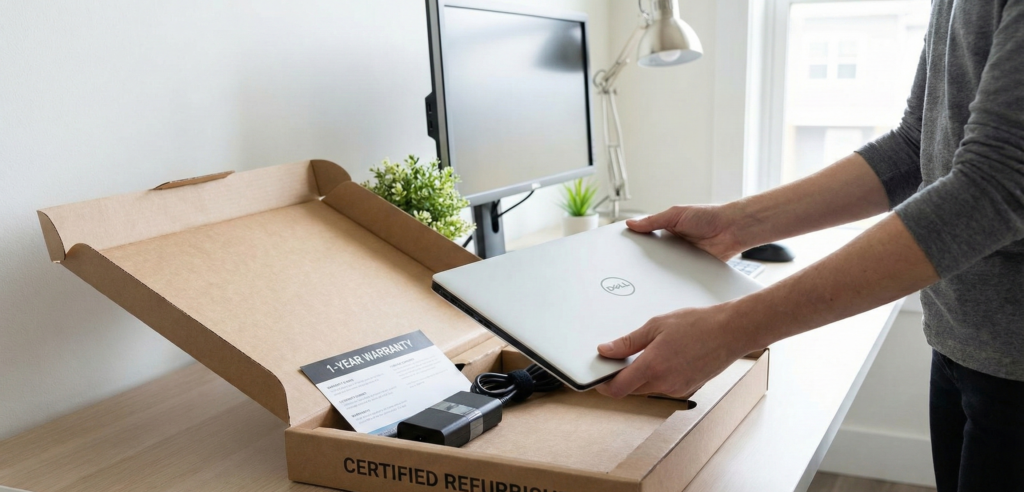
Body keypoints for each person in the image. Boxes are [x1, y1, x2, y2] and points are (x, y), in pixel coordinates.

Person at [594, 1, 1024, 490]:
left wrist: (731, 329)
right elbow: (915, 146)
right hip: (960, 341)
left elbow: (995, 186)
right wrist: (734, 225)